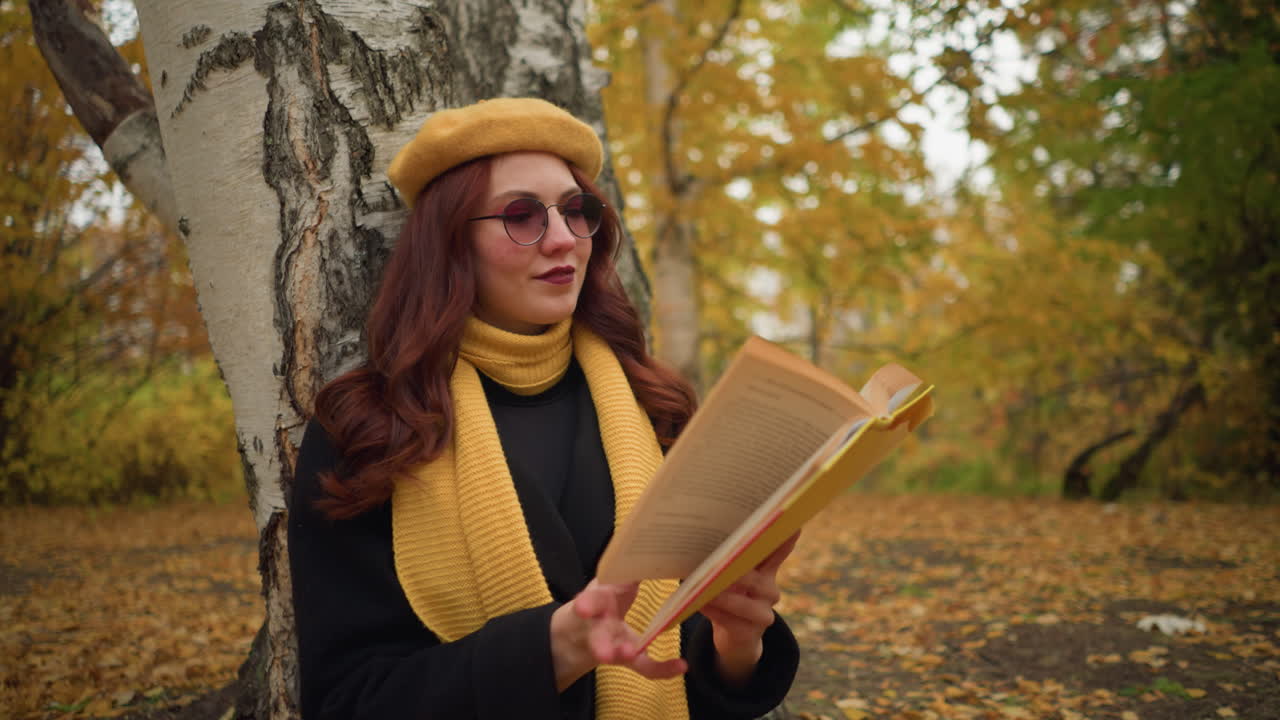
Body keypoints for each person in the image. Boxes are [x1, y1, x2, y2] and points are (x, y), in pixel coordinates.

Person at [287, 97, 800, 720]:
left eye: (575, 210)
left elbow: (677, 666)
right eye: (521, 216)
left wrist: (736, 643)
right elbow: (347, 701)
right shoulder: (367, 430)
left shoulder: (655, 405)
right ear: (450, 242)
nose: (562, 239)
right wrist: (554, 649)